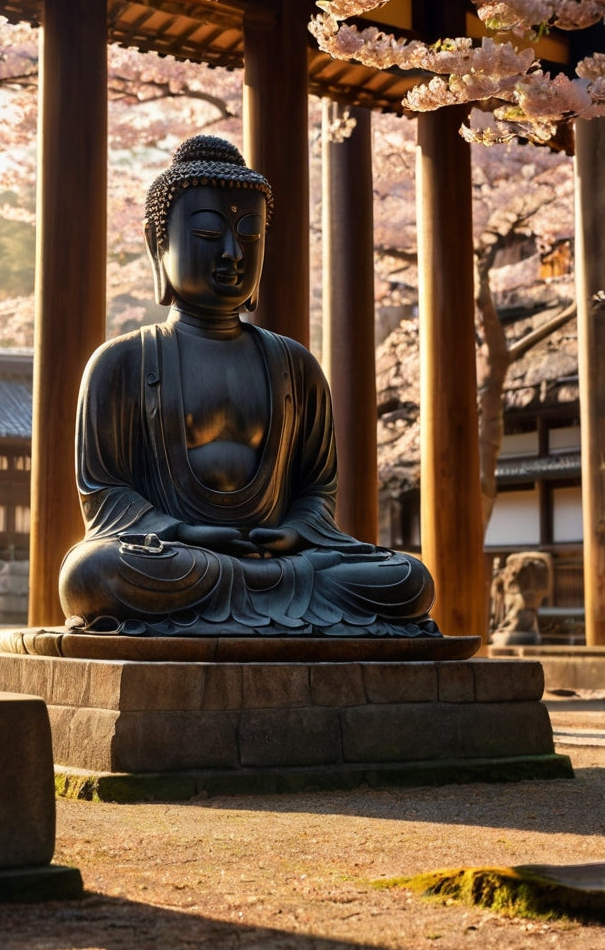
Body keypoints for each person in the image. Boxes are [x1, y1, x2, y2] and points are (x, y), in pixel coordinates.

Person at [59, 135, 439, 637]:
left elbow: (317, 489)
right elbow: (105, 492)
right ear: (158, 243)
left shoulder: (294, 364)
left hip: (285, 565)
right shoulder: (122, 362)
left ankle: (248, 606)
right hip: (176, 559)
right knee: (94, 575)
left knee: (406, 579)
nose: (234, 253)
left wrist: (297, 532)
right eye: (208, 234)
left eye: (250, 234)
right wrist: (183, 532)